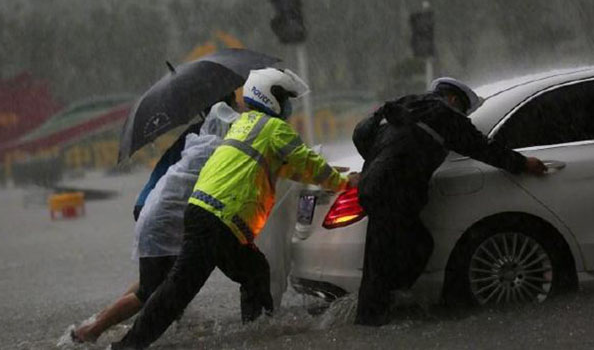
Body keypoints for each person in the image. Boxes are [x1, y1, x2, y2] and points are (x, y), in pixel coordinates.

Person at [111, 68, 360, 349]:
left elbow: (293, 167)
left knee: (254, 272)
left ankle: (256, 333)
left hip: (211, 216)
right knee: (179, 289)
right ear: (269, 97)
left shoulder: (246, 123)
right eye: (285, 97)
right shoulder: (273, 128)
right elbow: (304, 161)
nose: (289, 105)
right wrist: (343, 182)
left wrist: (331, 173)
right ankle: (127, 346)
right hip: (219, 220)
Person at [352, 77, 547, 327]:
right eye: (464, 110)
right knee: (395, 255)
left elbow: (361, 133)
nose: (463, 115)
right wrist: (522, 164)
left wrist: (375, 164)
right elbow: (482, 147)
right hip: (396, 191)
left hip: (376, 187)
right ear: (454, 99)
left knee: (389, 254)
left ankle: (379, 311)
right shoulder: (444, 114)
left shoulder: (405, 104)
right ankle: (376, 318)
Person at [70, 97, 239, 343]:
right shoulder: (211, 137)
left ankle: (101, 320)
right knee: (150, 289)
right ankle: (94, 330)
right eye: (234, 100)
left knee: (156, 279)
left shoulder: (198, 133)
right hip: (162, 211)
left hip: (154, 204)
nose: (238, 105)